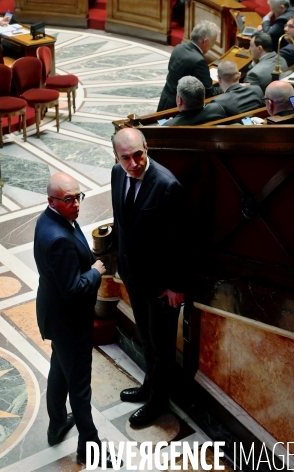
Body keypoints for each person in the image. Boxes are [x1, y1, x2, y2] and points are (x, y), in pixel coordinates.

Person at [34, 172, 114, 467]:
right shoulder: (57, 239)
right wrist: (95, 271)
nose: (76, 205)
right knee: (80, 388)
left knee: (60, 368)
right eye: (68, 200)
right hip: (70, 322)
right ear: (51, 201)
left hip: (55, 316)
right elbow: (72, 289)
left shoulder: (50, 219)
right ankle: (89, 447)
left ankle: (56, 425)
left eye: (78, 197)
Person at [111, 128, 186, 427]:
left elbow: (181, 242)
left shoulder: (167, 186)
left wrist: (176, 287)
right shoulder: (117, 174)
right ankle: (148, 386)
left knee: (162, 344)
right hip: (133, 276)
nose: (133, 163)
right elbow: (122, 222)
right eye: (125, 158)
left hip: (161, 286)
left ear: (146, 147)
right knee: (146, 337)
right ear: (116, 157)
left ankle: (158, 401)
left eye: (138, 155)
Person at [157, 21, 221, 111]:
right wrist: (226, 87)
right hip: (178, 108)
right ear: (205, 41)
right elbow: (208, 93)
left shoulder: (178, 48)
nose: (213, 45)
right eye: (213, 42)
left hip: (165, 99)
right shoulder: (199, 61)